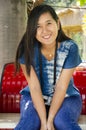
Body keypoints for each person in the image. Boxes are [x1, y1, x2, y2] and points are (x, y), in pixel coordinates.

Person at [14, 4, 82, 130]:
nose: (44, 31)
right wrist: (43, 122)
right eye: (38, 26)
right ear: (32, 30)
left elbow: (62, 87)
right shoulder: (27, 50)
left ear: (58, 23)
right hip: (33, 96)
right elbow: (34, 87)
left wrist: (49, 121)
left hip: (67, 97)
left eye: (48, 23)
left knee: (62, 121)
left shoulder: (70, 48)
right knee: (29, 122)